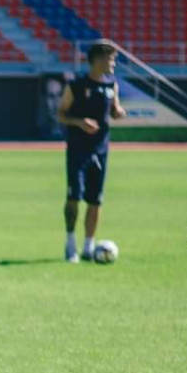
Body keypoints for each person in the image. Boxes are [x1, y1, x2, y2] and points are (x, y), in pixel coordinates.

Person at [56, 39, 127, 263]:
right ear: (98, 59)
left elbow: (115, 109)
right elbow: (61, 114)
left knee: (96, 199)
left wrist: (119, 112)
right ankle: (70, 244)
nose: (113, 64)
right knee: (74, 196)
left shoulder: (111, 86)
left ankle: (88, 246)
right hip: (78, 149)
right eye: (111, 59)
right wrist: (79, 122)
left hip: (101, 150)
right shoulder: (76, 85)